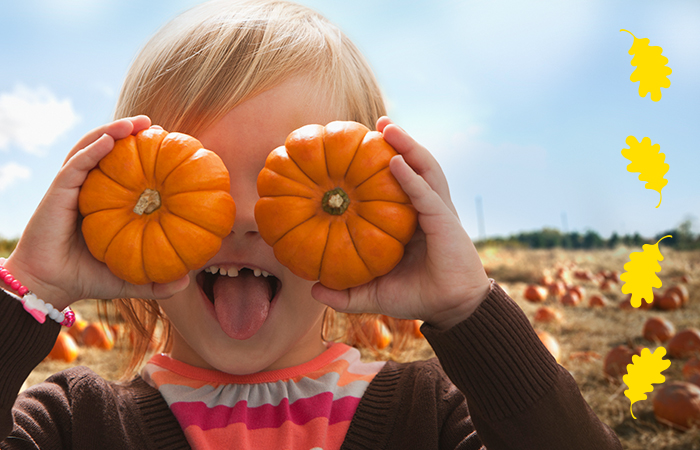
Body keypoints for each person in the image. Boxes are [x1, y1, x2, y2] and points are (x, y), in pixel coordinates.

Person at [0, 0, 622, 448]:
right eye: (192, 183)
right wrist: (30, 289)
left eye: (290, 178)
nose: (244, 217)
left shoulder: (432, 414)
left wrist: (468, 309)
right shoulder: (73, 424)